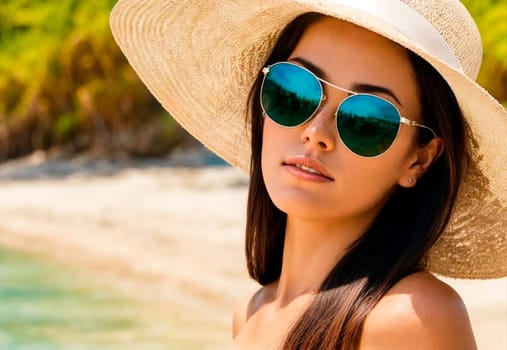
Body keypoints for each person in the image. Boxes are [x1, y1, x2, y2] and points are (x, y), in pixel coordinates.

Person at [109, 1, 507, 349]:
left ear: (419, 160)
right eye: (294, 92)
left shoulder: (413, 319)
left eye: (366, 119)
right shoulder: (250, 314)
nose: (316, 133)